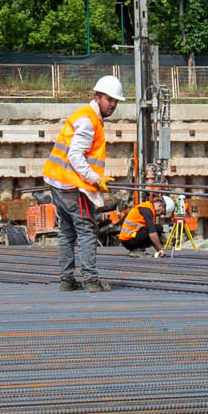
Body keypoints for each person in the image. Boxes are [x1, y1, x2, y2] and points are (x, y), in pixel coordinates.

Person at [42, 73, 124, 293]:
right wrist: (96, 179)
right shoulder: (89, 121)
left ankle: (66, 280)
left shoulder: (86, 116)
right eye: (109, 100)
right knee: (87, 231)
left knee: (67, 232)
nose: (113, 105)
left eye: (116, 101)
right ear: (97, 97)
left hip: (59, 183)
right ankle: (90, 279)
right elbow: (75, 155)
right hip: (74, 187)